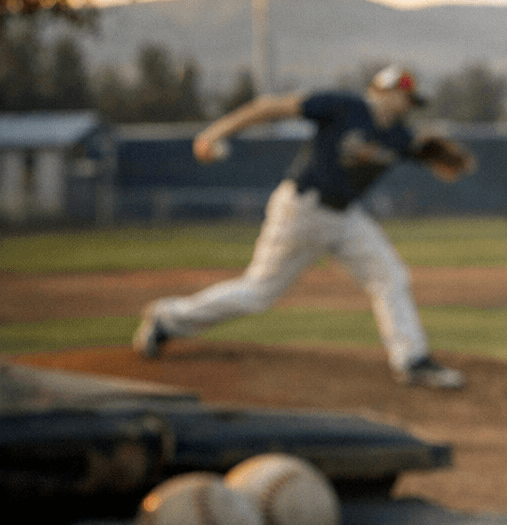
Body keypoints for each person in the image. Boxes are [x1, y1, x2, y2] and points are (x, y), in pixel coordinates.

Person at [133, 64, 467, 389]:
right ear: (386, 91)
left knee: (390, 276)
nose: (409, 106)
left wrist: (444, 158)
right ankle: (167, 318)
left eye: (412, 102)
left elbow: (426, 153)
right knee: (258, 293)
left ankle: (412, 360)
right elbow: (268, 108)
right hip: (302, 211)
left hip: (346, 217)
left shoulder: (398, 134)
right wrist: (214, 133)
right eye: (406, 97)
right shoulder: (343, 107)